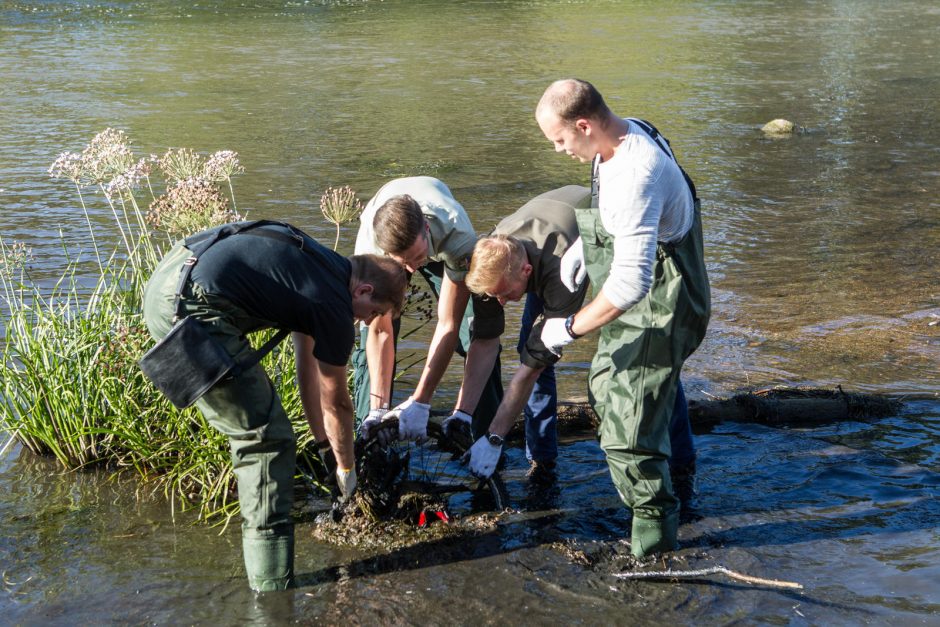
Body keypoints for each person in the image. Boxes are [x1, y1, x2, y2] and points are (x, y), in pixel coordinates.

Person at [142, 220, 408, 592]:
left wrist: (323, 447)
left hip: (169, 277)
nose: (364, 323)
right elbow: (338, 402)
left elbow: (308, 372)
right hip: (190, 309)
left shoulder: (320, 267)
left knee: (265, 424)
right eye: (370, 313)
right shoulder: (334, 307)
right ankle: (270, 592)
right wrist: (346, 468)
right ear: (364, 290)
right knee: (267, 440)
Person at [534, 79, 710, 557]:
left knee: (627, 433)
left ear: (585, 125)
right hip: (640, 297)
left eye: (560, 139)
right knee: (608, 388)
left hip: (662, 304)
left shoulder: (636, 171)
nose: (558, 150)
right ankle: (681, 478)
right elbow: (617, 216)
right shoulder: (618, 137)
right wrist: (578, 249)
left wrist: (564, 329)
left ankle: (654, 550)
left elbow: (630, 286)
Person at [350, 176, 504, 442]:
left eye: (417, 258)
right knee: (369, 341)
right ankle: (370, 433)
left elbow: (448, 324)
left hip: (443, 246)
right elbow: (381, 332)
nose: (412, 269)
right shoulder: (371, 252)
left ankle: (476, 433)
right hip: (385, 241)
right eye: (404, 262)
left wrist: (421, 401)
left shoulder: (458, 238)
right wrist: (379, 410)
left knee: (474, 333)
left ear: (427, 229)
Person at [457, 185, 591, 481]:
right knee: (525, 346)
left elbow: (534, 365)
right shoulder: (489, 259)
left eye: (505, 295)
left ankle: (679, 463)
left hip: (591, 231)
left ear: (526, 272)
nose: (500, 303)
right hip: (541, 236)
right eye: (495, 297)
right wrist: (462, 414)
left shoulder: (560, 273)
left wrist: (494, 438)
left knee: (537, 356)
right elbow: (485, 340)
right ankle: (541, 457)